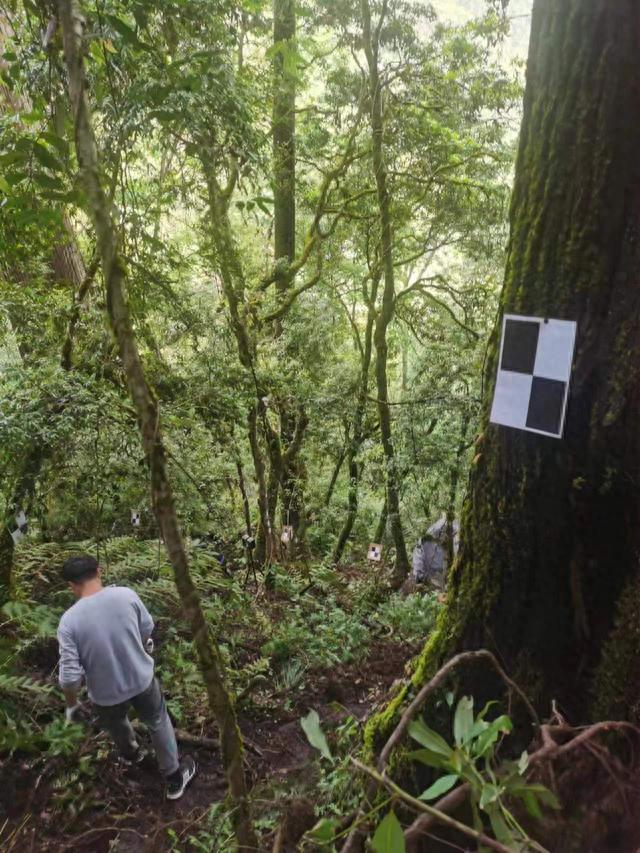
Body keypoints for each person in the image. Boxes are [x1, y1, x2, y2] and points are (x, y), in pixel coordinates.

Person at [57, 554, 197, 800]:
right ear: (99, 571)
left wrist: (71, 705)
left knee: (116, 723)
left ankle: (132, 755)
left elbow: (69, 677)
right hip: (140, 679)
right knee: (157, 720)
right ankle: (174, 779)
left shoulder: (68, 622)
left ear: (71, 585)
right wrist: (142, 645)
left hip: (104, 694)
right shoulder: (126, 595)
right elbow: (147, 628)